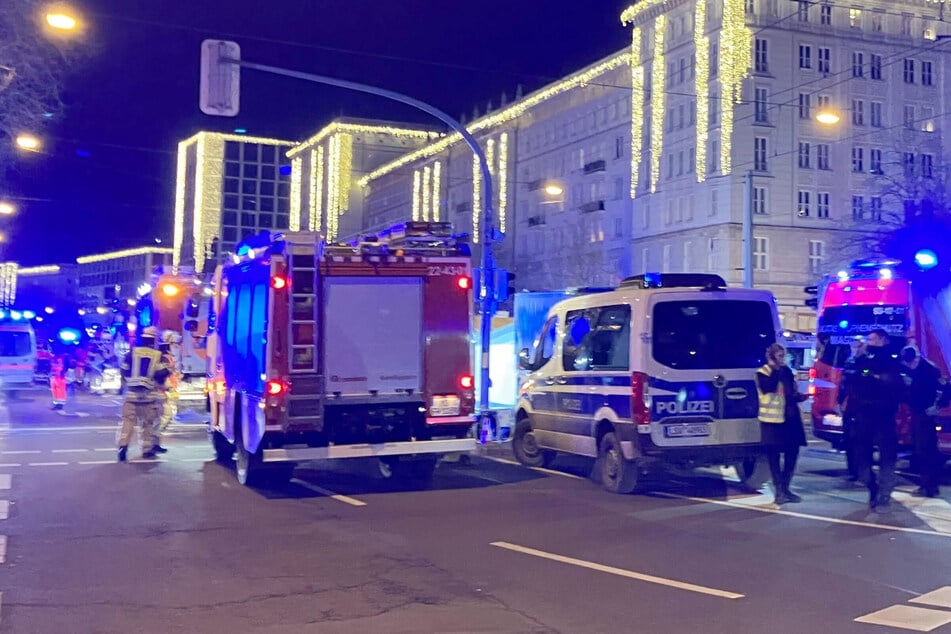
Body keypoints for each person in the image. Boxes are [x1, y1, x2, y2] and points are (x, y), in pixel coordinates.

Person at [851, 328, 905, 513]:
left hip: (884, 413)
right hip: (865, 413)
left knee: (887, 456)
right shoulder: (865, 358)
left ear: (883, 339)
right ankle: (871, 486)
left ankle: (884, 494)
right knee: (861, 456)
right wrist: (859, 357)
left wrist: (873, 375)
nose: (869, 342)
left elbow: (892, 381)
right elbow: (857, 377)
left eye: (872, 339)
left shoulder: (892, 357)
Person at [756, 343, 808, 505]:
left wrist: (799, 397)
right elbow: (768, 388)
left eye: (783, 355)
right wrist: (775, 369)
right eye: (779, 356)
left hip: (790, 419)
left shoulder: (786, 371)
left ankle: (786, 488)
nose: (782, 359)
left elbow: (789, 392)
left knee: (792, 454)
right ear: (771, 357)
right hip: (773, 422)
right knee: (774, 457)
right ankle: (778, 490)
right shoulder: (763, 372)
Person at [900, 345, 948, 498]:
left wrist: (937, 406)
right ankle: (928, 484)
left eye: (912, 362)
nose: (911, 366)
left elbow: (946, 389)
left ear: (917, 358)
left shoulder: (930, 370)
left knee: (926, 450)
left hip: (927, 415)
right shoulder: (908, 368)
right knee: (920, 451)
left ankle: (930, 485)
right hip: (916, 413)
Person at [117, 327, 170, 462]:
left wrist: (124, 385)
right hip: (149, 397)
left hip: (131, 395)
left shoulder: (131, 353)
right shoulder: (158, 355)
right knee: (148, 424)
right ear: (154, 340)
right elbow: (161, 374)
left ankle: (123, 448)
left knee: (128, 423)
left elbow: (124, 371)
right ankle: (146, 450)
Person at [837, 337, 867, 482]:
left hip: (861, 406)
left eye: (859, 345)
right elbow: (843, 384)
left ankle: (862, 471)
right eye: (854, 345)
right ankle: (853, 471)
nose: (856, 347)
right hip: (849, 407)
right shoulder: (849, 362)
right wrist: (839, 401)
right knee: (849, 439)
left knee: (861, 440)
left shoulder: (867, 362)